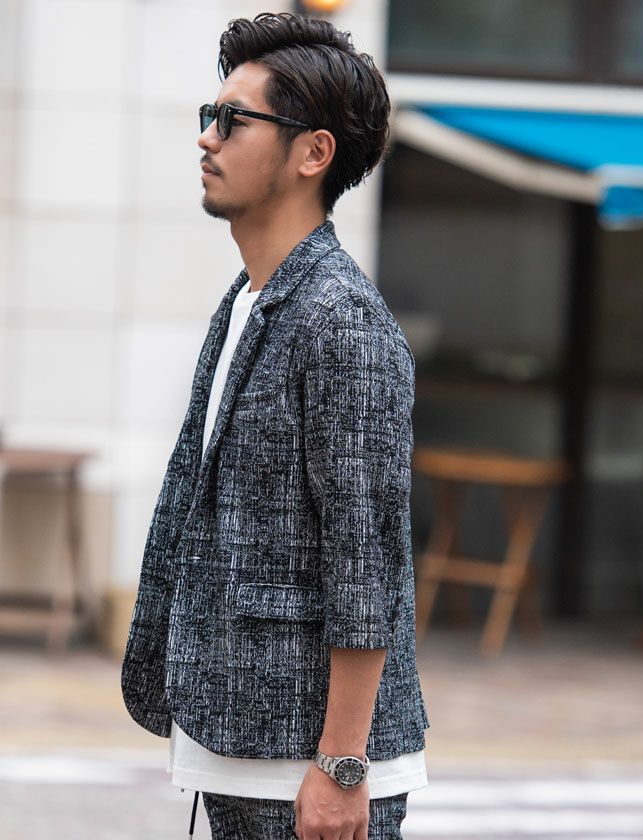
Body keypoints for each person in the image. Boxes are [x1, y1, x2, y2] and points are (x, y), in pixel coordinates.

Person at [121, 12, 428, 840]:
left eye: (233, 119)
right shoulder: (249, 303)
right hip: (241, 739)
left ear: (312, 153)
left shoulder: (341, 320)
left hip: (306, 763)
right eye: (209, 115)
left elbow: (366, 562)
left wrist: (342, 765)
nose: (207, 138)